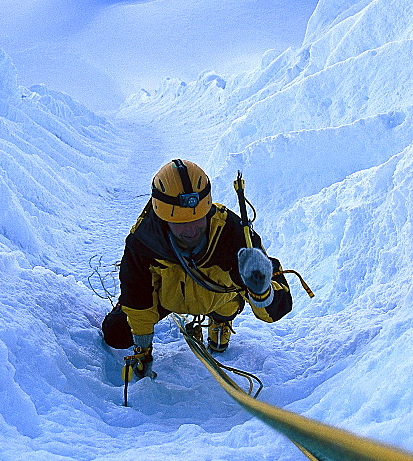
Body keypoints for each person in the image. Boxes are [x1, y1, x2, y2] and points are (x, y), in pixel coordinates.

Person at [102, 158, 293, 381]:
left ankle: (221, 319)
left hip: (218, 298)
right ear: (163, 218)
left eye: (197, 219)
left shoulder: (232, 233)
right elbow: (137, 299)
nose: (191, 230)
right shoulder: (144, 240)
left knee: (228, 303)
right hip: (168, 298)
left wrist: (262, 291)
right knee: (115, 333)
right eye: (181, 223)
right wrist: (143, 349)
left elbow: (279, 306)